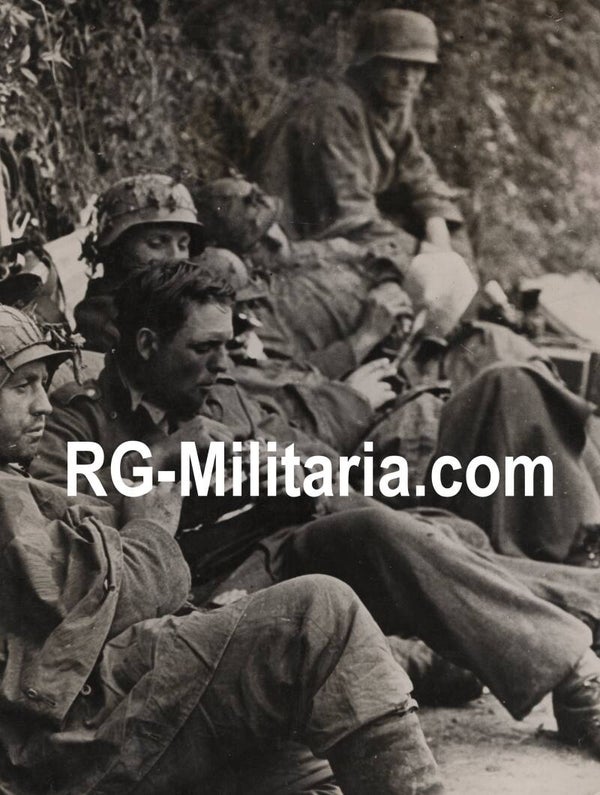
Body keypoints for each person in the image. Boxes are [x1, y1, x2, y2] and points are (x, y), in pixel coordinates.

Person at [32, 262, 600, 761]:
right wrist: (164, 462)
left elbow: (313, 453)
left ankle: (569, 665)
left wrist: (292, 472)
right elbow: (63, 534)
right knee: (401, 557)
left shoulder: (218, 395)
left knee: (409, 531)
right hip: (199, 600)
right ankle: (538, 655)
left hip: (278, 549)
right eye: (204, 349)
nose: (222, 364)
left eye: (227, 346)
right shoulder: (77, 421)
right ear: (147, 344)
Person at [0, 303, 448, 795]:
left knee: (303, 758)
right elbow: (88, 617)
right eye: (22, 386)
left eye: (41, 384)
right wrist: (150, 528)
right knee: (320, 614)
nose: (43, 404)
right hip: (69, 737)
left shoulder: (14, 481)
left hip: (95, 705)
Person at [250, 8, 468, 262]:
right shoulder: (331, 111)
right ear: (369, 62)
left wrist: (437, 229)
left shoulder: (390, 101)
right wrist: (425, 253)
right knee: (410, 268)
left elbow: (416, 169)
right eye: (397, 65)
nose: (408, 78)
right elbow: (348, 215)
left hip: (353, 221)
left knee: (450, 225)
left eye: (419, 67)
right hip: (299, 235)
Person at [74, 173, 205, 352]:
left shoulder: (166, 305)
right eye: (156, 243)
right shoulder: (105, 324)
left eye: (183, 245)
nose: (176, 257)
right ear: (117, 248)